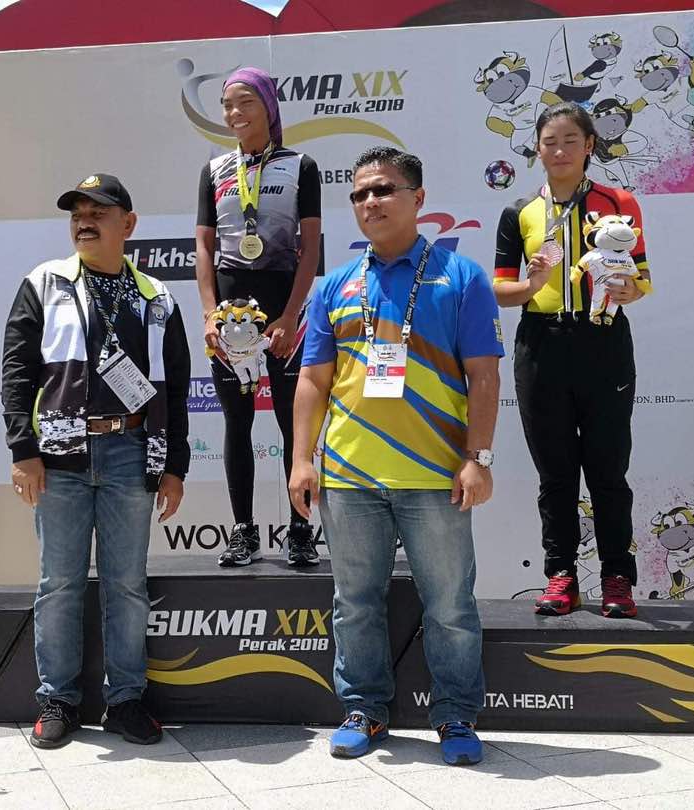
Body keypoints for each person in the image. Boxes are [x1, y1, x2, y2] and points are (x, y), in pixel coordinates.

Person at [289, 147, 502, 765]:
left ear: (418, 199)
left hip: (435, 475)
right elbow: (313, 380)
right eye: (359, 194)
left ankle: (456, 716)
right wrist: (302, 460)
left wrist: (478, 458)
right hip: (348, 477)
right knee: (354, 603)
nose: (370, 202)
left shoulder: (461, 277)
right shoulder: (335, 285)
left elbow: (484, 377)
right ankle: (364, 708)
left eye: (383, 190)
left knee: (450, 606)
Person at [2, 173, 190, 750]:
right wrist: (23, 450)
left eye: (98, 212)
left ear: (127, 225)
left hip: (131, 451)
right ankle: (57, 699)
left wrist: (175, 466)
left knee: (127, 585)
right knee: (59, 583)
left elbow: (177, 388)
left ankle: (125, 700)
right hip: (59, 455)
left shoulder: (158, 297)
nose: (84, 221)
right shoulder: (44, 282)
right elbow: (16, 372)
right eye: (77, 213)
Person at [493, 101, 651, 619]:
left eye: (570, 141)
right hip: (541, 344)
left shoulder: (618, 202)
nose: (559, 151)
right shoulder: (519, 211)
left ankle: (617, 577)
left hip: (603, 340)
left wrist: (629, 290)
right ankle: (560, 574)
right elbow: (500, 289)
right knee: (556, 473)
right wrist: (531, 284)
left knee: (609, 470)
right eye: (549, 142)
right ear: (537, 150)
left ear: (589, 146)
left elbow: (642, 278)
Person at [195, 66, 323, 567]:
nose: (234, 112)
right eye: (227, 104)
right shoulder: (214, 169)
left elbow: (310, 250)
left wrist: (290, 316)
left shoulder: (301, 166)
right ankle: (243, 531)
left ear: (268, 107)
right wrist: (210, 314)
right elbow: (204, 248)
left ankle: (300, 531)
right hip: (230, 315)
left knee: (295, 422)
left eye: (245, 101)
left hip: (283, 312)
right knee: (237, 422)